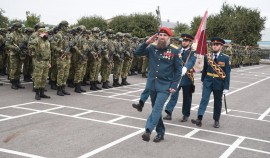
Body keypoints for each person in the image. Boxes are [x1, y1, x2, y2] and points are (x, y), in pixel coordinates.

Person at [134, 27, 182, 142]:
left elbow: (178, 70)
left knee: (157, 108)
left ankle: (148, 130)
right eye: (160, 35)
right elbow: (137, 53)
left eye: (165, 35)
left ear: (169, 38)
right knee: (156, 110)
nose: (162, 37)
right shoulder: (152, 48)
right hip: (152, 85)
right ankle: (160, 132)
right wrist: (147, 42)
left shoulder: (175, 50)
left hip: (165, 86)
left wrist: (174, 85)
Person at [191, 37, 231, 128]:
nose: (215, 46)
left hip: (219, 83)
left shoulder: (225, 58)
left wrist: (226, 87)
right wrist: (202, 81)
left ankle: (216, 120)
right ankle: (199, 118)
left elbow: (227, 74)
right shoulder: (207, 56)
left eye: (217, 45)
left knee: (217, 102)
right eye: (213, 44)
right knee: (204, 99)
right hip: (208, 81)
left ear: (221, 46)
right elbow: (204, 70)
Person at [163, 34, 197, 122]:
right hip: (176, 77)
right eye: (183, 40)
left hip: (187, 77)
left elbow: (192, 61)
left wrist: (185, 68)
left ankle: (185, 114)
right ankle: (169, 112)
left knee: (187, 97)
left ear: (190, 42)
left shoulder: (193, 52)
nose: (184, 42)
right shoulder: (177, 50)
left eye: (186, 41)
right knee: (173, 94)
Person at [28, 28, 51, 100]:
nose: (47, 34)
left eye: (47, 33)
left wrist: (49, 62)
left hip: (46, 61)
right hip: (39, 62)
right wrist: (35, 53)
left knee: (44, 78)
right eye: (45, 32)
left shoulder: (47, 41)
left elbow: (49, 52)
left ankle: (42, 93)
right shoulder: (37, 40)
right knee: (38, 77)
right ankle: (37, 93)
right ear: (40, 33)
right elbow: (29, 45)